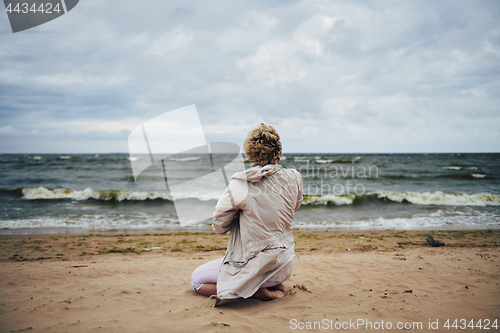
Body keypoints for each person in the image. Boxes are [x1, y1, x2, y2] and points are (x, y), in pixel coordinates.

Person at [191, 123, 303, 301]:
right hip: (283, 264)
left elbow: (219, 226)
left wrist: (237, 217)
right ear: (279, 153)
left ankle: (255, 291)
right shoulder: (295, 177)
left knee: (197, 280)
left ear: (250, 155)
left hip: (257, 267)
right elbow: (294, 206)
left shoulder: (240, 184)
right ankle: (273, 284)